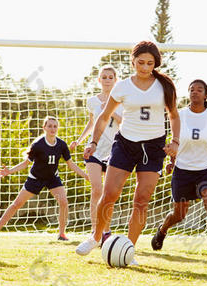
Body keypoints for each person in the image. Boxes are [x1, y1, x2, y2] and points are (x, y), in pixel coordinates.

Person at [75, 41, 180, 264]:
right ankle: (96, 237)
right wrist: (93, 142)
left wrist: (176, 142)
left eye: (149, 63)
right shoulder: (122, 86)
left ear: (155, 63)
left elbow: (174, 116)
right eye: (140, 62)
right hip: (125, 144)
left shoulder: (165, 86)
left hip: (153, 148)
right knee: (110, 193)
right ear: (132, 61)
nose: (144, 67)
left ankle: (129, 250)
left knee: (141, 199)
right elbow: (104, 116)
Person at [151, 79, 207, 254]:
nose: (195, 92)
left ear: (205, 95)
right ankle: (162, 230)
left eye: (199, 89)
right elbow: (174, 141)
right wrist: (171, 162)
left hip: (205, 170)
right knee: (179, 215)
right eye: (192, 89)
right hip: (182, 171)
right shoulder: (179, 115)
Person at [0, 117, 89, 241]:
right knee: (17, 204)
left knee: (64, 202)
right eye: (49, 126)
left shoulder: (61, 145)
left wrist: (87, 176)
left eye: (55, 126)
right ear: (44, 128)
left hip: (52, 178)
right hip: (36, 178)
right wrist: (9, 171)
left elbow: (71, 164)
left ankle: (62, 234)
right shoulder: (38, 144)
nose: (52, 129)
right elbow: (25, 163)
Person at [70, 65, 123, 242]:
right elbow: (92, 123)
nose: (107, 80)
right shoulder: (92, 101)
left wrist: (111, 111)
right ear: (99, 80)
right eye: (104, 77)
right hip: (94, 149)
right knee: (96, 189)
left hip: (114, 152)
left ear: (115, 80)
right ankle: (95, 232)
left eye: (110, 77)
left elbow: (124, 122)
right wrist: (79, 139)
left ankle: (105, 230)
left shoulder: (121, 101)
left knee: (109, 193)